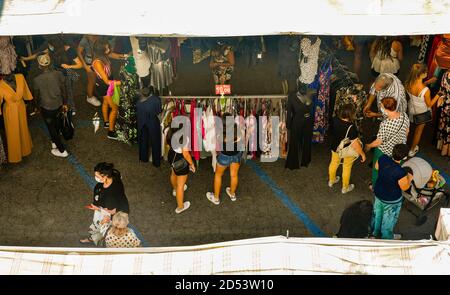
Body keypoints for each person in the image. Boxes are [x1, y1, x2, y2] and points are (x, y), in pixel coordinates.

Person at [365, 97, 410, 189]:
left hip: (384, 150)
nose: (380, 108)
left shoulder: (385, 124)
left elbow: (378, 142)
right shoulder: (404, 115)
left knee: (377, 168)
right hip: (398, 150)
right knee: (395, 168)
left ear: (386, 109)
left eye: (381, 106)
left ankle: (375, 185)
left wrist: (368, 145)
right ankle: (393, 184)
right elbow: (407, 131)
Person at [80, 162, 129, 244]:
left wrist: (99, 209)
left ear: (105, 176)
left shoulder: (114, 190)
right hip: (102, 211)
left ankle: (97, 240)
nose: (96, 178)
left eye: (97, 176)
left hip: (110, 215)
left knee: (105, 230)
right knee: (99, 226)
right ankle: (93, 238)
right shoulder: (102, 184)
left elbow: (113, 211)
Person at [372, 144, 413, 240]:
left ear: (393, 152)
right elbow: (404, 187)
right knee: (388, 221)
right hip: (391, 200)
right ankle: (386, 237)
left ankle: (374, 233)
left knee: (377, 214)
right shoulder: (400, 172)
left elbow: (376, 167)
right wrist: (409, 179)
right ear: (405, 157)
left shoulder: (383, 158)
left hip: (378, 193)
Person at [33, 53, 69, 158]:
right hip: (58, 104)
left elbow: (36, 96)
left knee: (51, 128)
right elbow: (64, 90)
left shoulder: (37, 79)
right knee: (57, 123)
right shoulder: (58, 74)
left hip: (46, 107)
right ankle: (54, 142)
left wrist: (36, 107)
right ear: (50, 63)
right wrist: (65, 103)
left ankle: (62, 151)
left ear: (39, 65)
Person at [405, 64, 443, 157]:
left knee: (407, 129)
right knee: (418, 132)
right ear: (422, 74)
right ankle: (412, 150)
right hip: (422, 112)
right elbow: (429, 104)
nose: (427, 73)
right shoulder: (426, 90)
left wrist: (426, 82)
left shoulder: (408, 83)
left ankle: (403, 147)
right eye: (426, 72)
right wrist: (438, 95)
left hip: (412, 109)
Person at [328, 104, 366, 194]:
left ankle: (331, 180)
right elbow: (355, 145)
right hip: (347, 150)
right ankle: (345, 187)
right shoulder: (351, 128)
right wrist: (363, 154)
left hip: (335, 147)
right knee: (346, 167)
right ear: (351, 115)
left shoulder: (335, 119)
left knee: (334, 163)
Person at [206, 113, 243, 205]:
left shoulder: (220, 130)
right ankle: (232, 194)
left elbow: (213, 141)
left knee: (218, 175)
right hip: (236, 154)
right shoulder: (236, 128)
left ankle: (216, 198)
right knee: (234, 175)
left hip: (224, 156)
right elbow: (241, 138)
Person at [92, 40, 120, 140]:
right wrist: (120, 83)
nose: (109, 50)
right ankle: (111, 132)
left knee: (105, 103)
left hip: (106, 84)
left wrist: (126, 56)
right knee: (114, 108)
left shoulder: (103, 56)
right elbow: (107, 81)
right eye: (107, 49)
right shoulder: (97, 63)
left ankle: (107, 122)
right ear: (101, 51)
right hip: (105, 86)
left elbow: (114, 55)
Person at [167, 124, 196, 214]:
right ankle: (180, 207)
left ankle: (175, 189)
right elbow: (186, 155)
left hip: (172, 155)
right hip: (180, 161)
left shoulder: (169, 132)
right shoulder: (184, 139)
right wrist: (192, 164)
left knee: (173, 173)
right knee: (181, 184)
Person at [77, 35, 101, 107]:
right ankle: (90, 97)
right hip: (90, 62)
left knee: (97, 78)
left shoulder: (99, 34)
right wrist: (85, 65)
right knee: (92, 81)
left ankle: (94, 92)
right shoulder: (85, 39)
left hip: (98, 60)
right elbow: (78, 51)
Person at [437, 70, 450, 157]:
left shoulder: (446, 74)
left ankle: (443, 150)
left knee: (445, 126)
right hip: (447, 106)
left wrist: (440, 101)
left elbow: (441, 91)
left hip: (446, 106)